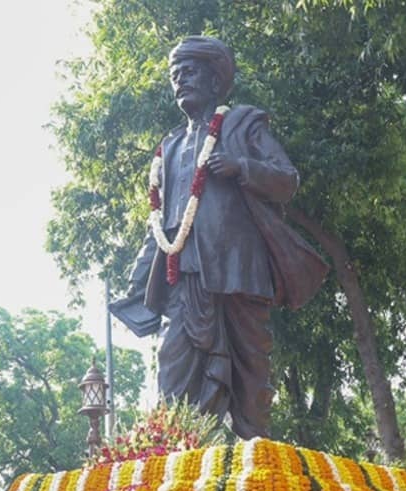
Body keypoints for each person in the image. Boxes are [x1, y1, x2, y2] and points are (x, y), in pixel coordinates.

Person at [110, 35, 327, 439]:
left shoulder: (242, 123)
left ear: (214, 80)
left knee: (251, 373)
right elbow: (161, 221)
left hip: (239, 271)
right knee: (172, 366)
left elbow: (287, 180)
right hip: (186, 277)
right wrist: (138, 279)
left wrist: (241, 165)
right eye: (175, 75)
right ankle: (176, 458)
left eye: (189, 72)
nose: (180, 81)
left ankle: (255, 466)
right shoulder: (170, 146)